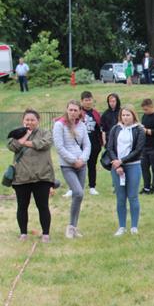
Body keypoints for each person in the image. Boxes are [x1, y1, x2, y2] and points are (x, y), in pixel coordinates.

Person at [7, 109, 54, 242]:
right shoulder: (17, 133)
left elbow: (45, 144)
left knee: (43, 206)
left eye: (32, 120)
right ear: (23, 121)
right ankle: (23, 234)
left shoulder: (45, 132)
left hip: (42, 177)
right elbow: (12, 146)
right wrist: (25, 135)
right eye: (27, 119)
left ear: (38, 121)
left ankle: (46, 234)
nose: (29, 122)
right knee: (22, 206)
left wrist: (25, 143)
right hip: (21, 177)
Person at [53, 100, 90, 238]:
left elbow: (87, 145)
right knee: (78, 192)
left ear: (80, 111)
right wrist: (73, 161)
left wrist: (82, 159)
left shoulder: (82, 125)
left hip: (82, 164)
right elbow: (59, 147)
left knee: (78, 197)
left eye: (75, 110)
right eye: (71, 110)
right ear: (67, 110)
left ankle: (73, 227)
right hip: (67, 165)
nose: (73, 112)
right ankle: (70, 227)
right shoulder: (59, 125)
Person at [106, 105, 145, 235]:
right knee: (120, 197)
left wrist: (122, 161)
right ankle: (121, 226)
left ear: (133, 115)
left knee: (133, 196)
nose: (125, 117)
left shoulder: (139, 129)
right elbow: (109, 147)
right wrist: (117, 164)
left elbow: (138, 150)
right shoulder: (115, 129)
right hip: (117, 166)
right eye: (123, 115)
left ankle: (134, 226)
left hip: (133, 165)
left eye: (128, 115)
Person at [79, 91, 103, 196]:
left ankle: (92, 186)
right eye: (86, 100)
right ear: (82, 101)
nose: (88, 102)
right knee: (79, 165)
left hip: (94, 144)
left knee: (92, 165)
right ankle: (76, 187)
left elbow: (100, 128)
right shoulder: (78, 112)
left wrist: (101, 143)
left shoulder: (96, 114)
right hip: (80, 145)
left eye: (89, 100)